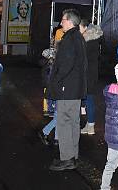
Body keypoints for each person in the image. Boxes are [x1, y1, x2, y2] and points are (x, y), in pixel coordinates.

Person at [46, 10, 87, 171]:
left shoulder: (70, 39)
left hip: (67, 88)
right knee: (73, 123)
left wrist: (56, 81)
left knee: (64, 123)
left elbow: (65, 65)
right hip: (75, 89)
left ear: (70, 21)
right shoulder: (78, 38)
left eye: (63, 20)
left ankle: (66, 158)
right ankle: (72, 156)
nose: (61, 22)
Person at [81, 22, 103, 135]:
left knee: (88, 100)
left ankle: (89, 125)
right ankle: (90, 126)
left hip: (86, 75)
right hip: (92, 75)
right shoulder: (95, 41)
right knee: (89, 100)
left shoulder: (87, 42)